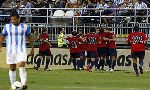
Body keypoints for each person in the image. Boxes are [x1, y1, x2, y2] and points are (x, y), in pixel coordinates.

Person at [0, 11, 34, 90]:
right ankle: (13, 85)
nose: (13, 21)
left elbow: (29, 37)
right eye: (11, 19)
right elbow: (2, 36)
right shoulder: (7, 27)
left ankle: (23, 84)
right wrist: (0, 45)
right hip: (10, 51)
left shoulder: (25, 27)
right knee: (12, 68)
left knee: (22, 64)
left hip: (21, 50)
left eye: (14, 19)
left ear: (18, 19)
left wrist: (32, 48)